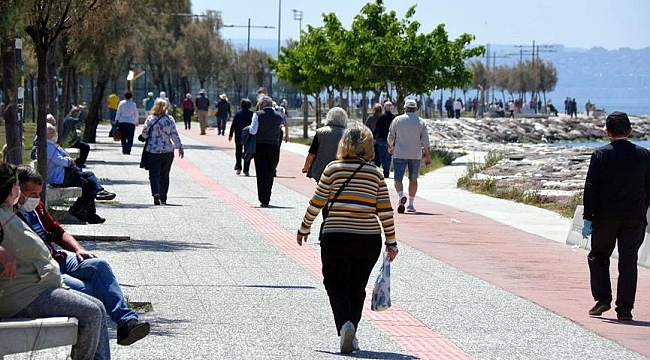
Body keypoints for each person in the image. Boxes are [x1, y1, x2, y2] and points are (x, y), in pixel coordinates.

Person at [16, 165, 150, 345]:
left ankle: (127, 322)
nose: (36, 198)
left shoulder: (37, 208)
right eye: (32, 194)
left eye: (39, 194)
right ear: (18, 191)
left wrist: (79, 249)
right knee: (94, 299)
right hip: (44, 271)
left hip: (58, 259)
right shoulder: (10, 216)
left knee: (99, 265)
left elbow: (58, 232)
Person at [296, 124, 399, 354]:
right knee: (357, 285)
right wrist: (391, 242)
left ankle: (345, 325)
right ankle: (351, 333)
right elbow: (385, 212)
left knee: (335, 282)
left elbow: (317, 202)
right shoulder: (375, 174)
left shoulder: (333, 169)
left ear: (344, 144)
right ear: (368, 146)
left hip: (336, 236)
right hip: (368, 239)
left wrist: (304, 228)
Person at [0, 162, 111, 360]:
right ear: (8, 188)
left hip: (38, 287)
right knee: (92, 312)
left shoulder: (9, 212)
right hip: (23, 296)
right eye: (17, 184)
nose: (18, 188)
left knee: (98, 307)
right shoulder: (2, 214)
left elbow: (56, 231)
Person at [581, 111, 650, 321]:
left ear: (607, 133)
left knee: (599, 256)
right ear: (630, 130)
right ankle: (625, 309)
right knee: (628, 262)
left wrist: (588, 217)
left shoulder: (601, 155)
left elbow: (591, 187)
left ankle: (603, 299)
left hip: (605, 217)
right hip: (635, 218)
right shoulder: (645, 155)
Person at [43, 123, 116, 223]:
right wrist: (68, 160)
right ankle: (83, 212)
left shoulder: (50, 145)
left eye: (54, 132)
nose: (54, 134)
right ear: (44, 134)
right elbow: (59, 161)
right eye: (51, 132)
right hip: (60, 178)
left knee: (89, 176)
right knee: (89, 185)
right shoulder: (47, 146)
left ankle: (98, 193)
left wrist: (68, 159)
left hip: (65, 175)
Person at [388, 99, 432, 213]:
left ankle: (401, 195)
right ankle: (411, 205)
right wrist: (428, 156)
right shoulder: (421, 122)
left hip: (400, 153)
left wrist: (390, 146)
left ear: (405, 108)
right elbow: (425, 140)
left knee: (398, 179)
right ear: (416, 109)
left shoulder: (397, 120)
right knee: (413, 179)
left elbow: (391, 135)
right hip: (415, 154)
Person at [139, 98, 184, 205]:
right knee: (165, 175)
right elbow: (174, 135)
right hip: (167, 151)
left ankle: (156, 193)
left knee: (154, 174)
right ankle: (163, 198)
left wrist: (142, 137)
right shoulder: (170, 119)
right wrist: (180, 147)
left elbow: (144, 133)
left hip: (153, 151)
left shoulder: (150, 119)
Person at [249, 95, 284, 207]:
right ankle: (268, 196)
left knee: (261, 173)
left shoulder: (258, 115)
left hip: (260, 146)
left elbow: (253, 131)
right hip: (274, 147)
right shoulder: (279, 116)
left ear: (262, 104)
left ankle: (263, 198)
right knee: (270, 172)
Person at [302, 107, 348, 182]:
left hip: (321, 170)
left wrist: (306, 167)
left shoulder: (320, 132)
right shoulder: (347, 134)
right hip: (341, 170)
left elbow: (312, 153)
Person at [229, 98, 254, 176]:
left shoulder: (238, 114)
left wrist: (230, 134)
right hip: (249, 135)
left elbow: (233, 125)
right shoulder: (252, 114)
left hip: (239, 135)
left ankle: (239, 167)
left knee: (238, 151)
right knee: (248, 152)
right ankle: (246, 170)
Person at [373, 101, 395, 178]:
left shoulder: (381, 117)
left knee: (382, 156)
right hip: (391, 140)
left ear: (384, 108)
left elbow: (377, 129)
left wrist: (374, 137)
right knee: (388, 156)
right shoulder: (394, 118)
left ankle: (385, 170)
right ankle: (387, 170)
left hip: (381, 139)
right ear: (391, 108)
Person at [114, 90, 138, 155]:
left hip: (122, 122)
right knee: (130, 137)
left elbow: (118, 112)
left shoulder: (121, 103)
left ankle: (124, 149)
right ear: (131, 97)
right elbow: (136, 113)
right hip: (131, 122)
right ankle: (128, 149)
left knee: (123, 137)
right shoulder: (133, 104)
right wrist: (136, 121)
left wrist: (116, 120)